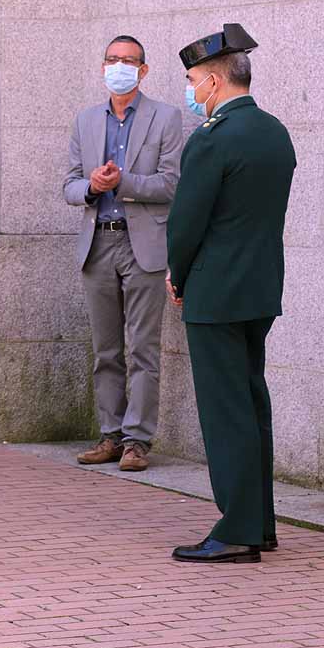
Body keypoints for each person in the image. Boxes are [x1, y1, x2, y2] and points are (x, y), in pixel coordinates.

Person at [167, 24, 295, 564]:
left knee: (226, 412)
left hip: (216, 292)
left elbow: (186, 222)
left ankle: (239, 529)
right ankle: (259, 521)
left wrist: (178, 274)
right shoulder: (275, 132)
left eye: (194, 80)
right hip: (260, 286)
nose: (192, 89)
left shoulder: (212, 138)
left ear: (216, 81)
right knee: (251, 402)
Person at [62, 36, 183, 472]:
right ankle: (110, 435)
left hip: (144, 246)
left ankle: (137, 441)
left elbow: (171, 184)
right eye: (113, 59)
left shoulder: (166, 118)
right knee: (105, 350)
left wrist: (122, 182)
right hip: (98, 244)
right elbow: (70, 186)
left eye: (128, 61)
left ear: (143, 70)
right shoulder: (86, 120)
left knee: (143, 350)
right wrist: (93, 186)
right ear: (102, 67)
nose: (119, 66)